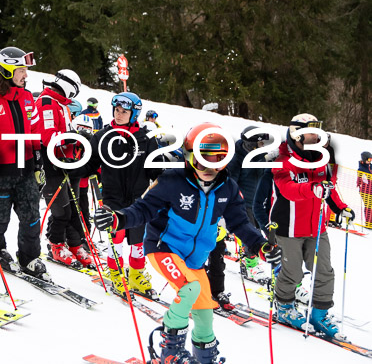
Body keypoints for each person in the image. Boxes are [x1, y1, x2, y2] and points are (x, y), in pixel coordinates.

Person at [95, 122, 280, 363]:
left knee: (205, 311)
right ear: (189, 156)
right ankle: (169, 352)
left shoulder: (228, 188)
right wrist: (117, 218)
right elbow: (144, 209)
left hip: (194, 259)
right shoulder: (172, 181)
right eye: (203, 160)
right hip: (164, 248)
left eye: (218, 160)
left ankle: (204, 357)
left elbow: (240, 224)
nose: (209, 168)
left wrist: (261, 246)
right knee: (189, 289)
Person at [0, 46, 49, 280]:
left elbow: (34, 133)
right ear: (6, 71)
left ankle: (29, 257)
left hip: (24, 170)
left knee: (31, 216)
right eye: (21, 70)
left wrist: (37, 165)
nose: (26, 75)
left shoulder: (27, 98)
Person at [271, 113, 354, 339]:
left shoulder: (321, 160)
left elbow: (329, 188)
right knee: (293, 271)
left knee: (324, 270)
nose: (317, 136)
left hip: (316, 227)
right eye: (311, 131)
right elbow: (288, 189)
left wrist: (340, 208)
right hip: (289, 228)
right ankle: (285, 307)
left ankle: (319, 313)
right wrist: (311, 188)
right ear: (297, 134)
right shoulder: (282, 161)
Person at [71, 92, 161, 297]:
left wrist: (165, 176)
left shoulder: (145, 138)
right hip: (111, 196)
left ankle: (137, 274)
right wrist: (74, 169)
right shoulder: (102, 136)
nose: (119, 115)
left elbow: (154, 168)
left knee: (138, 239)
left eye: (124, 112)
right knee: (116, 237)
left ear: (134, 114)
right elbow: (90, 164)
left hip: (139, 197)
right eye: (117, 110)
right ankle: (116, 273)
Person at [207, 125, 269, 309]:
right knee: (243, 233)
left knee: (255, 231)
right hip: (238, 203)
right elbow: (229, 181)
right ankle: (249, 261)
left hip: (256, 202)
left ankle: (218, 288)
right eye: (257, 143)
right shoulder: (235, 157)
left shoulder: (261, 156)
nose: (260, 146)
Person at [36, 69, 92, 268]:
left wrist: (79, 140)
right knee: (61, 211)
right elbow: (48, 137)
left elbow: (63, 132)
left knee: (74, 208)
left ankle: (75, 244)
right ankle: (56, 245)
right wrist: (74, 138)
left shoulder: (61, 104)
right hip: (50, 164)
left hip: (66, 162)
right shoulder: (47, 103)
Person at [357, 151, 372, 229]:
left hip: (371, 190)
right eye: (369, 159)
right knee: (369, 206)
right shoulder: (361, 168)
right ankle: (368, 223)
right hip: (365, 191)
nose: (370, 161)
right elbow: (362, 180)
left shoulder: (370, 166)